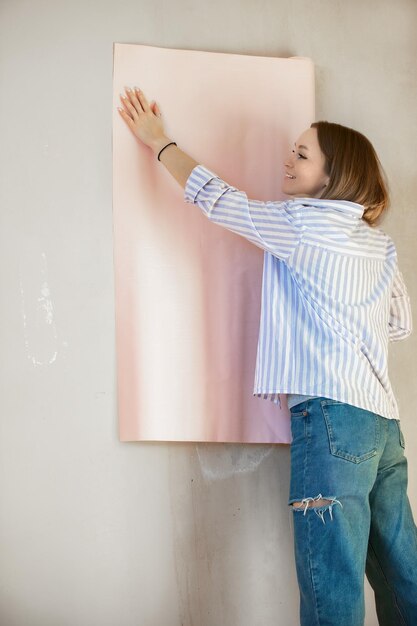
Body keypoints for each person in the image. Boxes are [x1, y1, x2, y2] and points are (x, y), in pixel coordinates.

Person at [117, 86, 417, 625]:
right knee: (402, 574)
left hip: (331, 418)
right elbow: (399, 324)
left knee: (333, 579)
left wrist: (159, 142)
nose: (288, 158)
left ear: (331, 177)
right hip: (383, 425)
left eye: (302, 155)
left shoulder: (302, 223)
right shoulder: (377, 242)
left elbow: (220, 201)